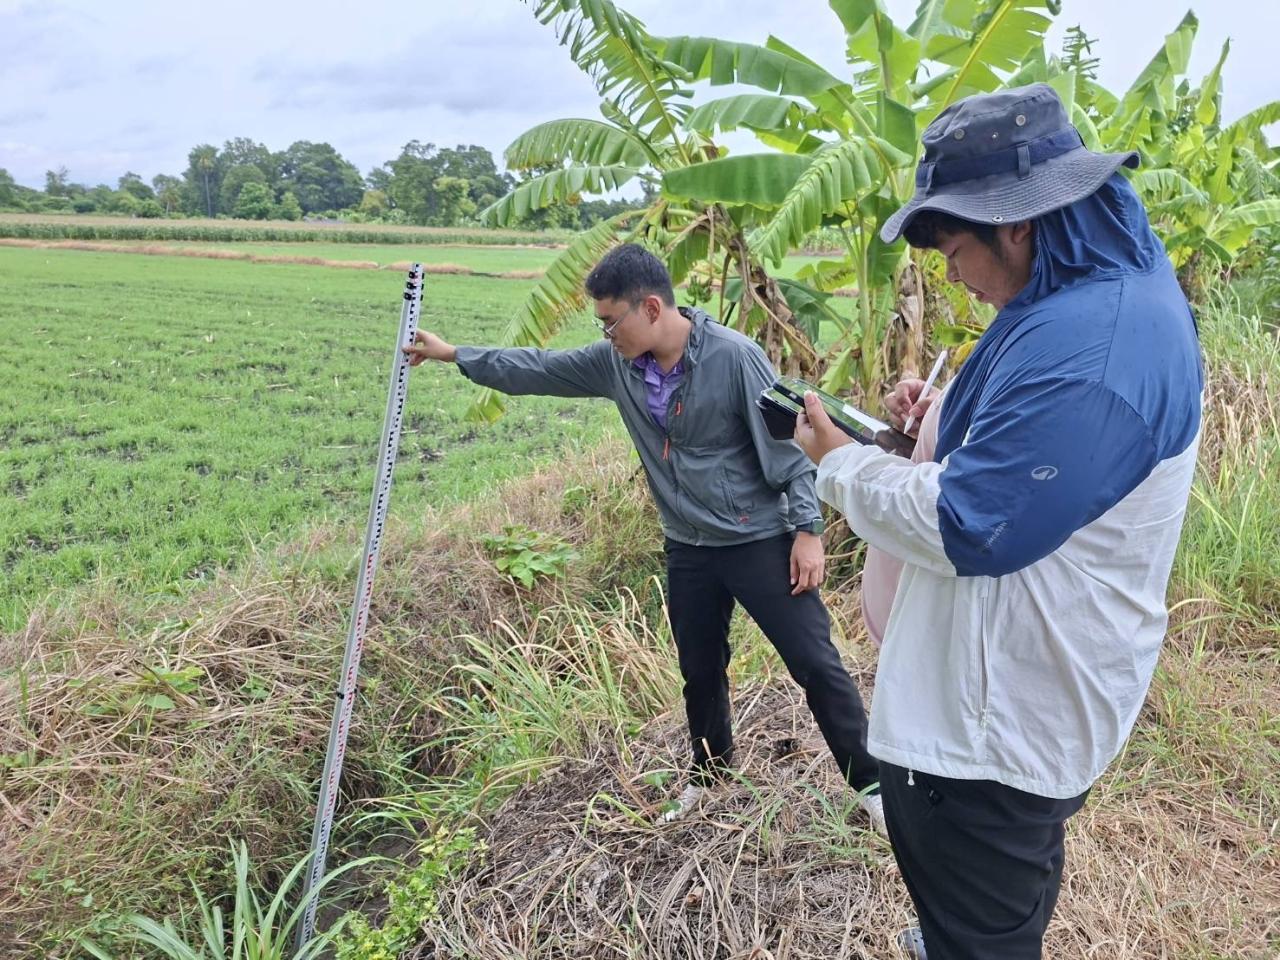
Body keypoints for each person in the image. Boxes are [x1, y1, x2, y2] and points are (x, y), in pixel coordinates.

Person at [794, 83, 1202, 959]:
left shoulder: (1093, 353)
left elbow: (972, 523)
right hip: (1023, 692)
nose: (948, 273)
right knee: (990, 902)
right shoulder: (1093, 294)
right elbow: (1032, 457)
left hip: (987, 738)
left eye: (951, 247)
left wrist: (838, 460)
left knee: (986, 919)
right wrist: (935, 424)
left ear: (1015, 225)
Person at [403, 243, 885, 831]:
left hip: (758, 538)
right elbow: (539, 367)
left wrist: (807, 531)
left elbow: (785, 449)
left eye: (611, 321)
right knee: (700, 668)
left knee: (815, 663)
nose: (606, 334)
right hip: (689, 545)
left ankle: (874, 789)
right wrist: (455, 354)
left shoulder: (735, 358)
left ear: (651, 308)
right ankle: (711, 778)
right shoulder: (616, 365)